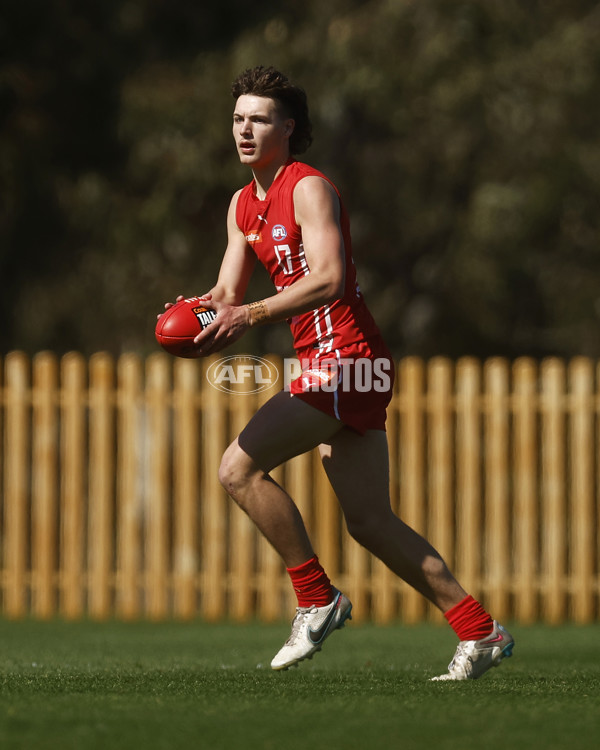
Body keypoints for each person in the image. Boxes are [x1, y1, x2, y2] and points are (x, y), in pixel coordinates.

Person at [161, 66, 514, 680]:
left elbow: (327, 277)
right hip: (333, 363)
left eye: (260, 119)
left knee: (237, 468)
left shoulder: (308, 188)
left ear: (288, 128)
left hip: (348, 358)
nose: (245, 129)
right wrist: (193, 315)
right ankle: (479, 631)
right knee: (371, 522)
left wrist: (251, 312)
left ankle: (317, 597)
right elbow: (225, 288)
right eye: (239, 118)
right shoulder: (243, 203)